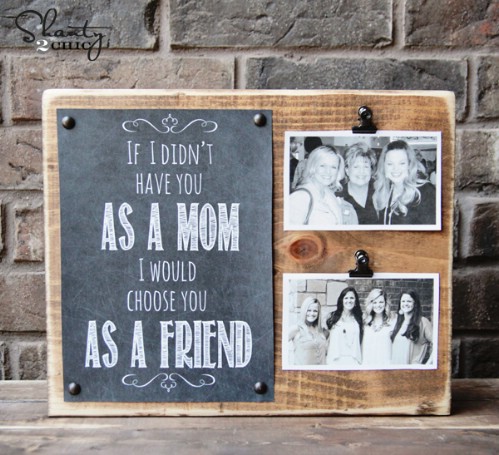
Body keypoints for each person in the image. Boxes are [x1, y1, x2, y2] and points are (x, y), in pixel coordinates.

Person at [289, 145, 358, 226]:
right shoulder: (300, 197)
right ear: (313, 166)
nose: (328, 172)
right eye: (323, 166)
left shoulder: (329, 194)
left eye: (333, 167)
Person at [373, 140, 436, 225]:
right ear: (384, 166)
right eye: (390, 164)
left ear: (409, 165)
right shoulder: (383, 191)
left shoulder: (426, 191)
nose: (395, 168)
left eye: (402, 163)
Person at [337, 142, 379, 224]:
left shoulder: (380, 191)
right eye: (356, 167)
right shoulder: (338, 196)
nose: (361, 171)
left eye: (366, 167)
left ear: (371, 170)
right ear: (347, 170)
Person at [391, 291, 433, 365]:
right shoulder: (398, 322)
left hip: (412, 369)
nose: (405, 304)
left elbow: (439, 345)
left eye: (409, 301)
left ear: (415, 304)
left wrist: (428, 365)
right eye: (403, 301)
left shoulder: (423, 321)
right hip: (396, 368)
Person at [325, 287, 363, 366]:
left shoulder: (359, 319)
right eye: (346, 298)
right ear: (342, 300)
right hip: (335, 361)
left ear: (355, 301)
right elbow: (324, 338)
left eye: (352, 298)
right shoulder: (332, 317)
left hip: (353, 361)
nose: (349, 300)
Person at [288, 297, 328, 365]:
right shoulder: (296, 329)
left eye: (315, 311)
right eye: (309, 310)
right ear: (304, 311)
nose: (312, 313)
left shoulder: (322, 331)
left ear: (318, 313)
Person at [362, 288, 395, 366]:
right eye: (375, 302)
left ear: (385, 303)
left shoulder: (392, 321)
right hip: (368, 365)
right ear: (371, 304)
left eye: (381, 302)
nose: (378, 305)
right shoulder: (365, 321)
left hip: (386, 365)